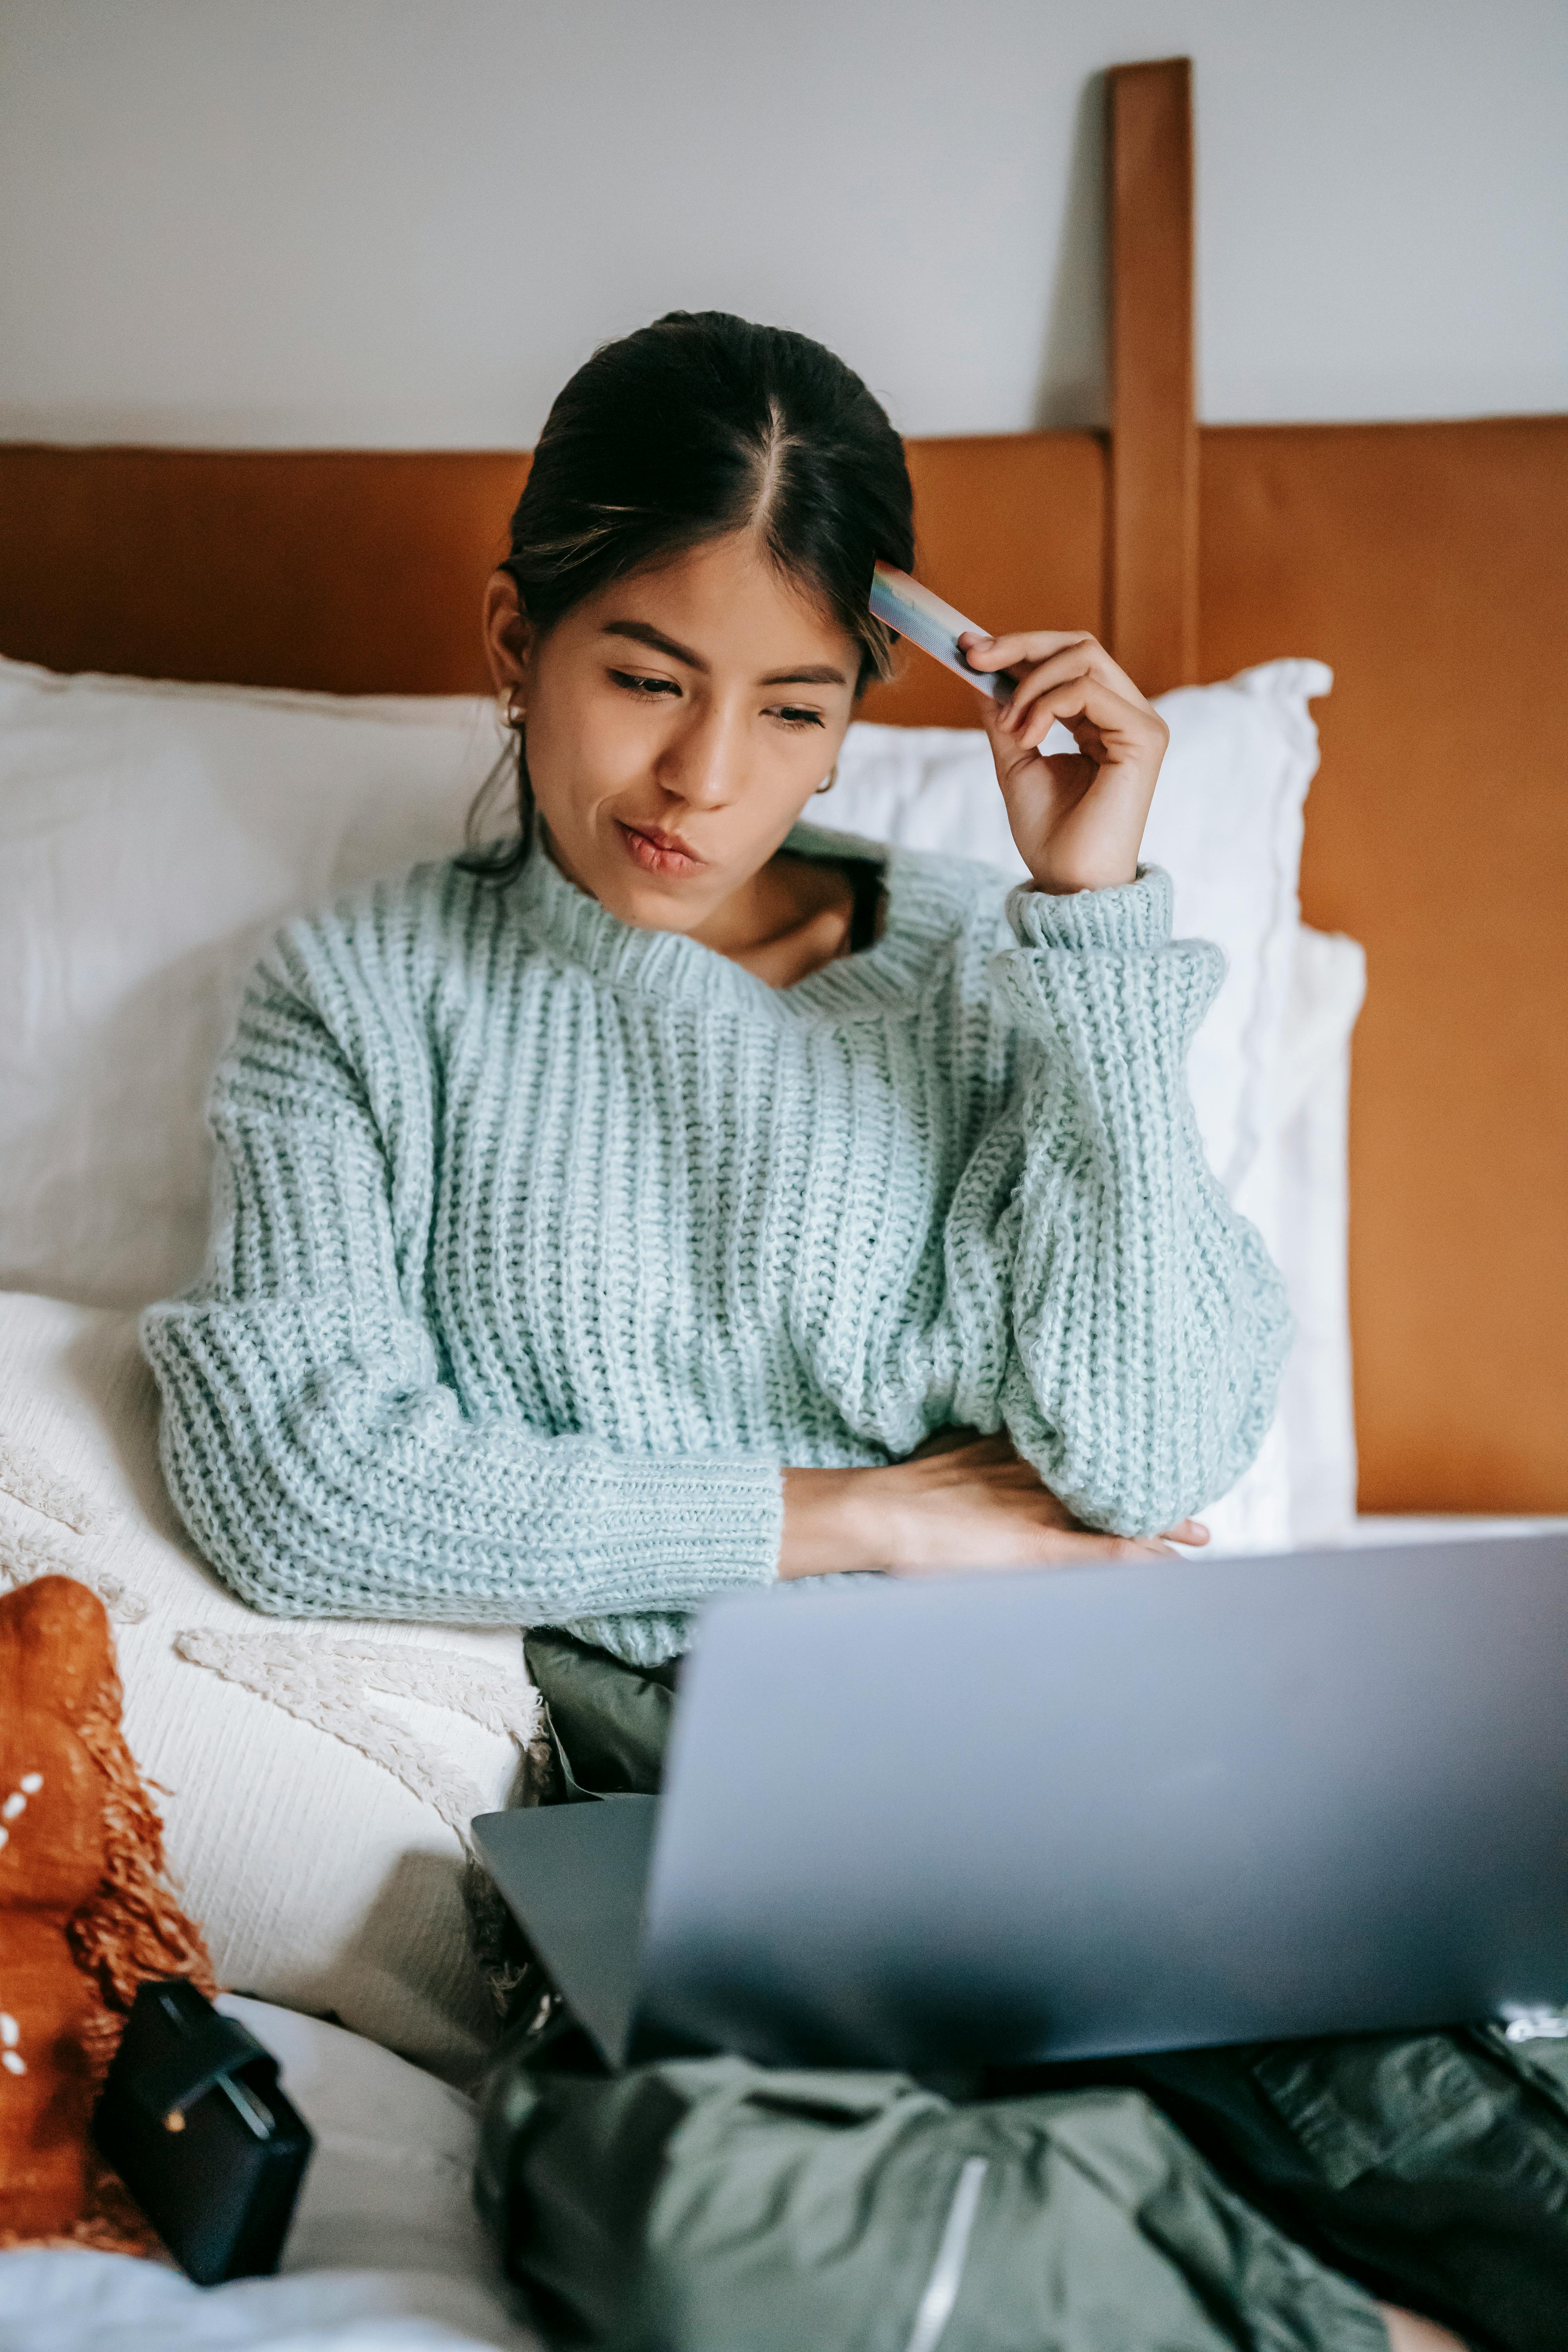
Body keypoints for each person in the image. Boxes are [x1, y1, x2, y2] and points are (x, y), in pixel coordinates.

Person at [143, 313, 1469, 2350]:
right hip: (689, 1820)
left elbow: (1156, 1452)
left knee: (1466, 2133)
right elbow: (306, 1484)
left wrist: (1097, 921)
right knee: (659, 2216)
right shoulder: (359, 1000)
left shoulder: (987, 973)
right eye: (644, 682)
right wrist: (863, 1517)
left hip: (1081, 1769)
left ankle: (1176, 2232)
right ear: (518, 638)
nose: (701, 778)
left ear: (865, 705)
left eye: (790, 707)